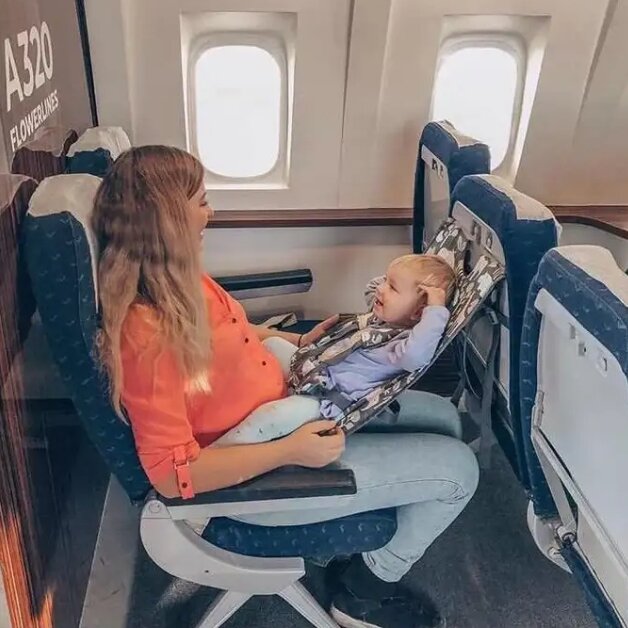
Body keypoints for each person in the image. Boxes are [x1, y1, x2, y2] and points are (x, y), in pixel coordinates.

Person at [92, 145, 479, 628]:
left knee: (445, 420)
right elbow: (172, 477)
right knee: (460, 470)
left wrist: (298, 342)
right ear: (167, 221)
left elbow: (231, 333)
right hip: (258, 475)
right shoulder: (145, 335)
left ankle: (367, 527)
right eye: (201, 202)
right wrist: (289, 451)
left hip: (291, 401)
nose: (210, 213)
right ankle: (365, 593)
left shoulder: (179, 281)